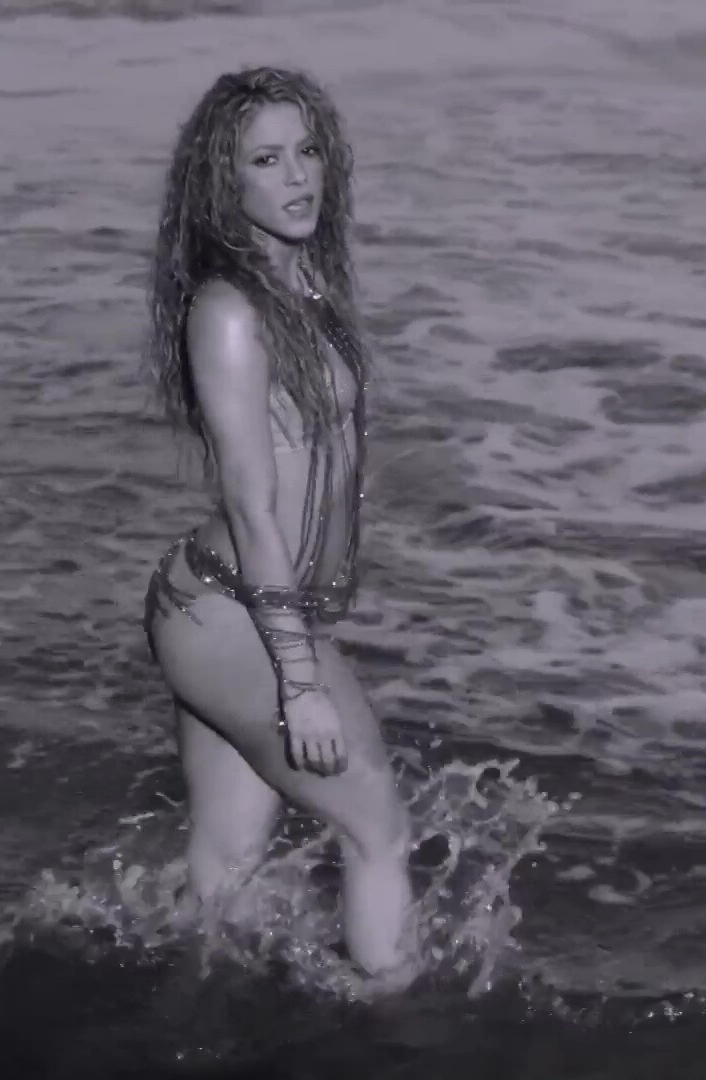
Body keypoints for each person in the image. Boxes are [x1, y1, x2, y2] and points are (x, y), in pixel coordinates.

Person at [141, 66, 417, 985]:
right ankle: (400, 1030)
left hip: (242, 605)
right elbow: (255, 506)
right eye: (266, 160)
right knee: (378, 829)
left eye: (307, 151)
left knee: (227, 865)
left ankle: (176, 1013)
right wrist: (300, 682)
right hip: (233, 610)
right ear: (224, 182)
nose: (298, 176)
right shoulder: (230, 313)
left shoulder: (304, 287)